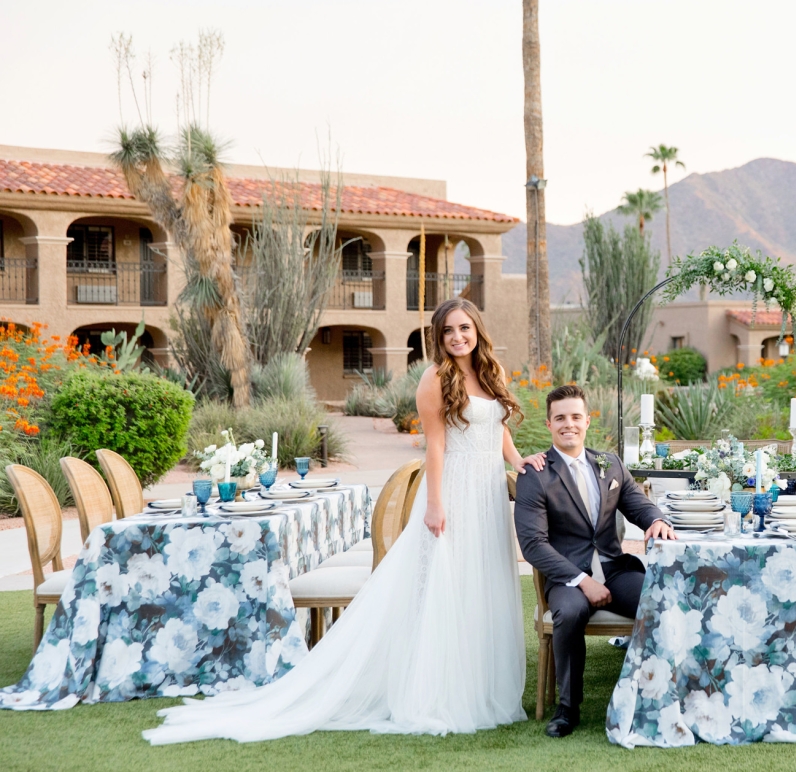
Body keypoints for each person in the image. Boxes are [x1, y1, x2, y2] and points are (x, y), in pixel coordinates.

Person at [143, 298, 547, 744]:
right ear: (438, 336)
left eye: (465, 328)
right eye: (448, 330)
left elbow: (496, 427)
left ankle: (479, 683)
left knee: (480, 584)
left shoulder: (492, 372)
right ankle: (442, 691)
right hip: (453, 492)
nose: (458, 337)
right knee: (445, 588)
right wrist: (435, 503)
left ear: (477, 330)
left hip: (487, 494)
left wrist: (516, 460)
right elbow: (435, 446)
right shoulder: (435, 379)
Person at [513, 385, 675, 738]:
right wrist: (582, 581)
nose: (568, 424)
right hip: (567, 577)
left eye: (575, 417)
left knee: (659, 601)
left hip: (615, 570)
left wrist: (657, 520)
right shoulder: (535, 475)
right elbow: (533, 545)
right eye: (560, 418)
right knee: (570, 612)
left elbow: (637, 505)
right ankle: (567, 708)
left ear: (587, 421)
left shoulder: (609, 463)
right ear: (549, 424)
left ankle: (656, 696)